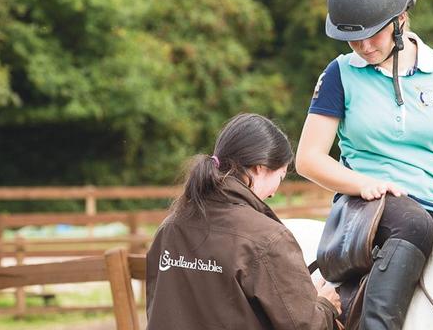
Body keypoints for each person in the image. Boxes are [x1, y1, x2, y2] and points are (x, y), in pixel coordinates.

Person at [295, 0, 433, 330]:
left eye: (373, 33)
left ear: (401, 19)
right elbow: (309, 159)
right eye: (353, 39)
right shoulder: (338, 75)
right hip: (365, 212)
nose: (363, 46)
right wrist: (363, 184)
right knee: (413, 223)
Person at [146, 113, 341, 329]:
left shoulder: (169, 228)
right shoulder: (267, 239)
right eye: (281, 176)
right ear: (260, 167)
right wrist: (326, 305)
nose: (274, 193)